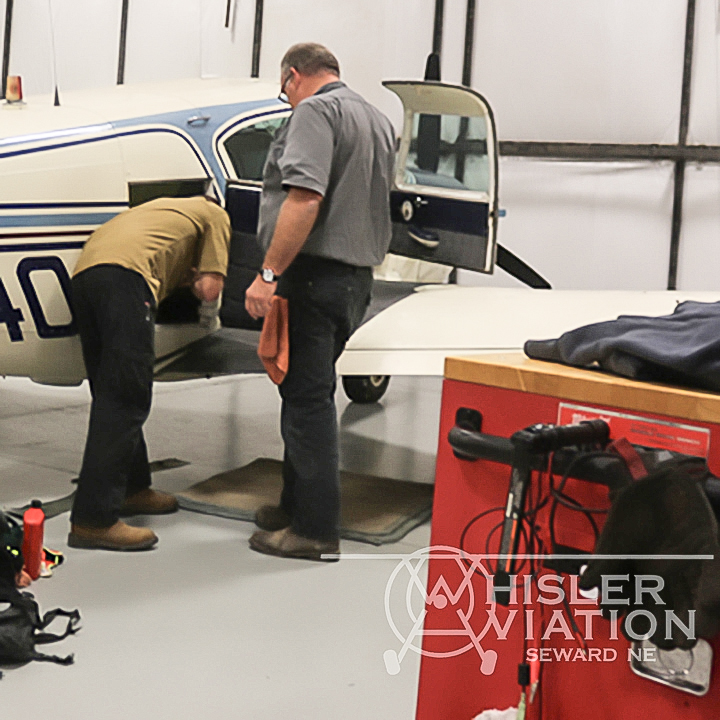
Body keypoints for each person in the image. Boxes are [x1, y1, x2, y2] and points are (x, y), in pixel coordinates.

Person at [245, 43, 395, 561]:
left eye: (283, 90)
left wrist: (267, 273)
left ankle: (314, 529)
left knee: (307, 402)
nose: (285, 99)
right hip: (355, 279)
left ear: (292, 77)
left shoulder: (314, 111)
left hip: (313, 277)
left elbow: (304, 197)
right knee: (307, 393)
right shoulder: (374, 118)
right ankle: (293, 505)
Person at [68, 195, 231, 551]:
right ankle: (93, 520)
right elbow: (209, 289)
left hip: (85, 278)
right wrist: (197, 277)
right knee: (126, 396)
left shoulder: (157, 210)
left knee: (111, 390)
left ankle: (133, 487)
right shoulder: (215, 214)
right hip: (126, 280)